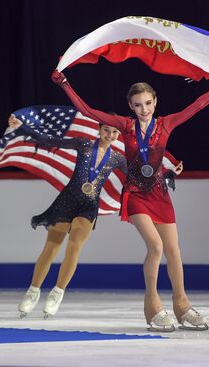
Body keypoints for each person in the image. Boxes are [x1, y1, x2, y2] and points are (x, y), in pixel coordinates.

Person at [51, 67, 209, 331]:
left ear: (155, 102)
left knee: (174, 250)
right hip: (136, 193)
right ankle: (152, 306)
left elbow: (197, 105)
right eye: (138, 105)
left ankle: (182, 305)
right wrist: (65, 84)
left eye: (148, 103)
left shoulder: (165, 124)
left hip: (159, 193)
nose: (144, 109)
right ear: (130, 105)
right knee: (156, 246)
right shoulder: (125, 127)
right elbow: (89, 111)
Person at [8, 113, 127, 319]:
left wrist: (167, 173)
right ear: (99, 129)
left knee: (74, 246)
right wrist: (23, 128)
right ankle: (33, 291)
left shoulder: (117, 158)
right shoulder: (84, 144)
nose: (110, 134)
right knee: (51, 247)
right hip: (67, 201)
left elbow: (138, 175)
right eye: (106, 129)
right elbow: (51, 140)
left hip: (88, 207)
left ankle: (57, 293)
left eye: (115, 131)